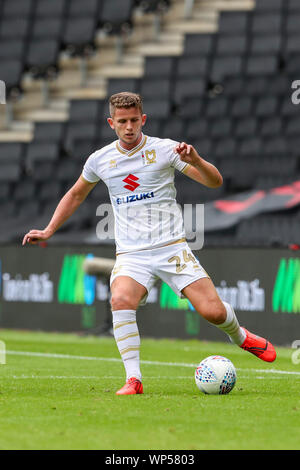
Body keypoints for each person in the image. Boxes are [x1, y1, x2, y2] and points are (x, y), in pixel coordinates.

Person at [23, 92, 276, 395]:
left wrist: (196, 159)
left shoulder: (167, 150)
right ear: (111, 123)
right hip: (132, 254)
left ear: (143, 119)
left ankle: (240, 336)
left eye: (133, 120)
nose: (129, 127)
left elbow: (214, 182)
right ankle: (134, 379)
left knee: (213, 312)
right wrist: (50, 229)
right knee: (120, 300)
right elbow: (77, 194)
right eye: (122, 121)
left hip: (172, 247)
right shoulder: (100, 160)